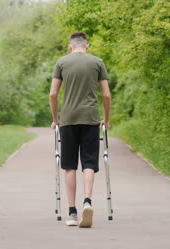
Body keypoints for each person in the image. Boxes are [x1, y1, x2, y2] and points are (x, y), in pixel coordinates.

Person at [49, 32, 111, 228]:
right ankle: (88, 201)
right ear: (88, 46)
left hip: (68, 120)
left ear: (70, 46)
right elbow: (106, 95)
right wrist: (106, 120)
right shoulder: (97, 62)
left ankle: (72, 213)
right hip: (91, 119)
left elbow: (53, 93)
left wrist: (55, 119)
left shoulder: (61, 63)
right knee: (89, 163)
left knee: (69, 166)